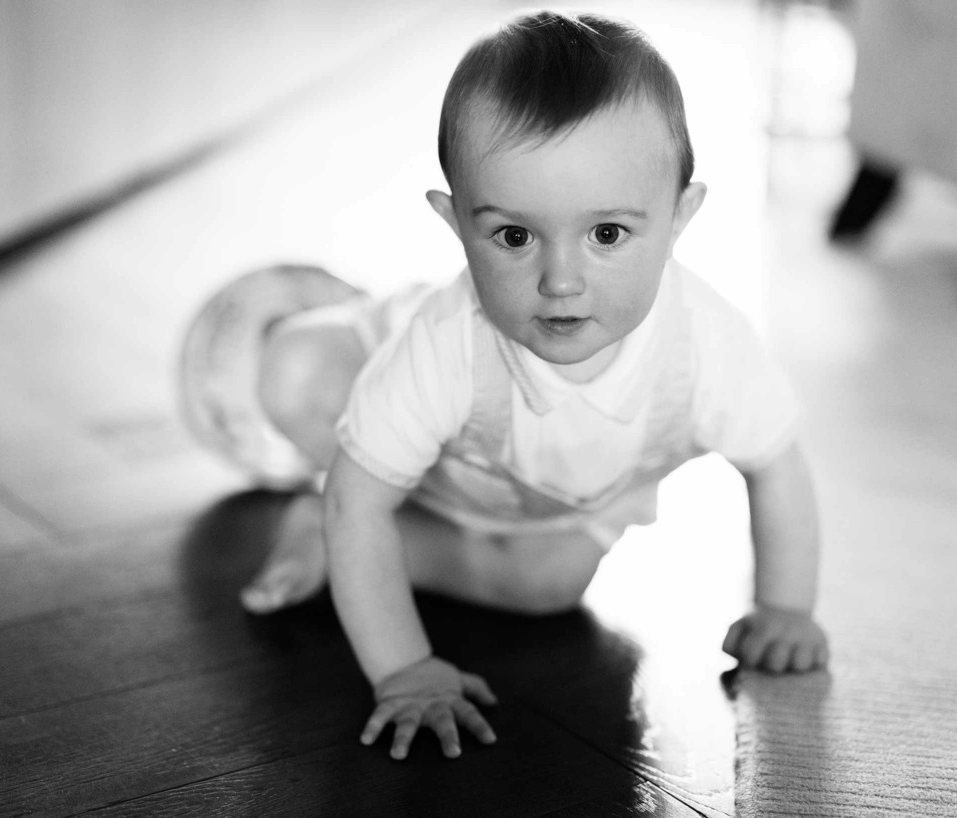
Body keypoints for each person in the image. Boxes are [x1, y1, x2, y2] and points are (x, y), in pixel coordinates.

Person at [179, 10, 829, 761]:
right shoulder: (447, 343)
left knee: (548, 589)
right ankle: (332, 336)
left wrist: (785, 608)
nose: (560, 281)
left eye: (607, 235)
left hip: (536, 498)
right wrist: (405, 671)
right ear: (456, 224)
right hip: (402, 418)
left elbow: (775, 461)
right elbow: (359, 499)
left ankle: (326, 539)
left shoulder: (708, 346)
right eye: (514, 236)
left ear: (681, 216)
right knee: (299, 377)